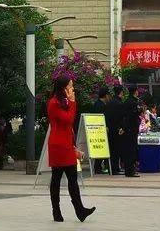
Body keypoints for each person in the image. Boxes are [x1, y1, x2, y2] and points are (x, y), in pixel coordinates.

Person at [47, 77, 96, 222]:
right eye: (70, 86)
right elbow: (68, 119)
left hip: (67, 144)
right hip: (58, 145)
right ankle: (56, 211)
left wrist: (71, 102)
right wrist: (73, 102)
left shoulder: (64, 101)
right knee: (56, 178)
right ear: (63, 88)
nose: (72, 89)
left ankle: (80, 210)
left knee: (72, 178)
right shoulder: (54, 103)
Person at [104, 85, 126, 175]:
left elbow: (106, 116)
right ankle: (115, 169)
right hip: (117, 129)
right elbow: (121, 117)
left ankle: (112, 168)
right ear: (121, 92)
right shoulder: (119, 103)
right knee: (117, 150)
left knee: (112, 149)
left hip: (110, 129)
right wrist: (122, 127)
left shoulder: (109, 103)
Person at [88, 87, 110, 174]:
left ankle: (100, 167)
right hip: (99, 130)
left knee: (102, 148)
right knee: (101, 148)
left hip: (99, 129)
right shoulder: (100, 105)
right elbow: (99, 117)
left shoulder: (98, 103)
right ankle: (98, 168)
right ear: (106, 95)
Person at [121, 87, 142, 177]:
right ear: (135, 92)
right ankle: (130, 171)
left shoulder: (126, 101)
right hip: (131, 129)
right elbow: (133, 115)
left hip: (128, 129)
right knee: (131, 150)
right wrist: (139, 111)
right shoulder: (133, 102)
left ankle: (129, 170)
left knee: (129, 150)